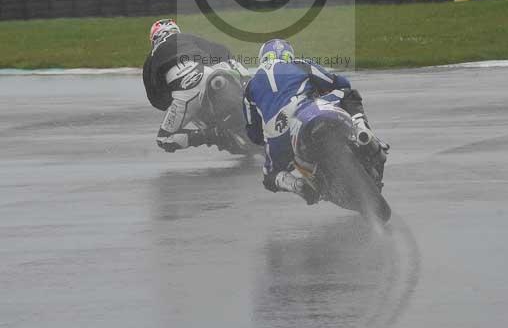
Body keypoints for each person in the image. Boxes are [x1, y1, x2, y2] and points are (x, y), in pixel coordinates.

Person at [243, 38, 385, 204]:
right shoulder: (299, 63)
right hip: (305, 109)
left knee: (269, 177)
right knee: (348, 94)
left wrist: (268, 138)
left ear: (263, 58)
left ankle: (297, 185)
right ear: (288, 54)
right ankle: (363, 132)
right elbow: (339, 83)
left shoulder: (249, 87)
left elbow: (253, 134)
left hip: (277, 134)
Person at [143, 19, 249, 152]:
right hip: (210, 73)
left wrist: (173, 100)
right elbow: (222, 50)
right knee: (230, 63)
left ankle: (213, 135)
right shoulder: (186, 37)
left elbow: (157, 101)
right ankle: (249, 89)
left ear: (154, 38)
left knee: (164, 139)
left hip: (185, 93)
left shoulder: (151, 58)